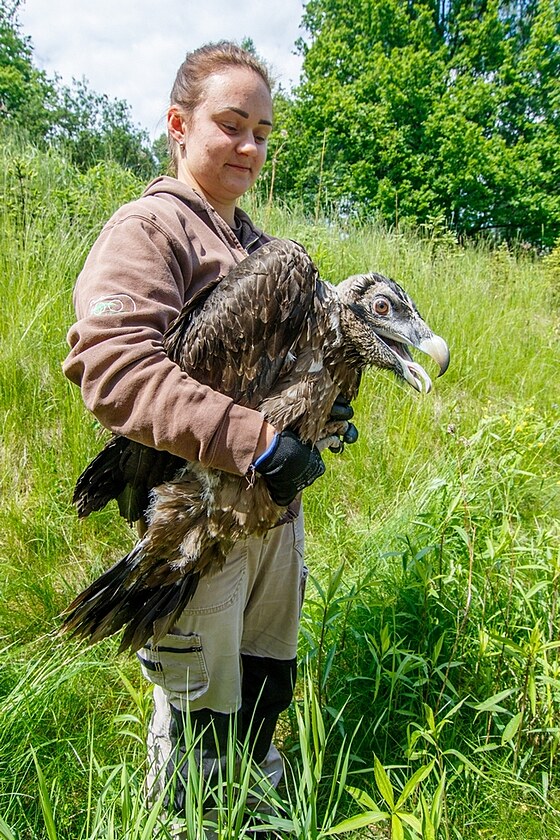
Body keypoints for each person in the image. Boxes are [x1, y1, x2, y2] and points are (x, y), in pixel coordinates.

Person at [63, 41, 354, 832]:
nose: (251, 147)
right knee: (199, 722)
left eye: (263, 130)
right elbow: (112, 367)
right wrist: (257, 442)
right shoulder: (151, 229)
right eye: (233, 125)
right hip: (197, 517)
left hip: (271, 521)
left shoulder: (255, 246)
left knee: (263, 691)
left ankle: (259, 815)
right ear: (178, 124)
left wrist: (318, 411)